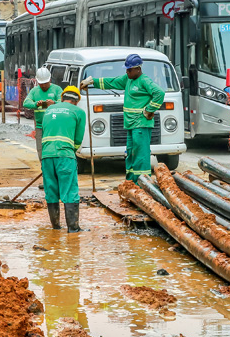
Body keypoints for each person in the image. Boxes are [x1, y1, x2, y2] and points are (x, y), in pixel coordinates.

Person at [79, 53, 165, 184]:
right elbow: (112, 82)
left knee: (141, 156)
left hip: (141, 124)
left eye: (129, 69)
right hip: (131, 124)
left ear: (138, 69)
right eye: (126, 69)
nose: (127, 72)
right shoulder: (128, 79)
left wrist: (149, 110)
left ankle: (143, 185)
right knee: (131, 154)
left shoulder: (144, 81)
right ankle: (130, 183)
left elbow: (159, 93)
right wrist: (92, 82)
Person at [40, 86, 87, 232]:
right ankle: (73, 229)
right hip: (65, 155)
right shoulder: (78, 111)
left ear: (62, 98)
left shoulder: (49, 109)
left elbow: (44, 131)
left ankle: (55, 227)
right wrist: (70, 151)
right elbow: (78, 139)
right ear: (76, 100)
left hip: (47, 155)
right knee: (69, 190)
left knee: (51, 190)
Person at [23, 66, 63, 155]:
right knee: (41, 151)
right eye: (41, 83)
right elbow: (26, 103)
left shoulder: (57, 89)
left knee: (55, 150)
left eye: (45, 83)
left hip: (54, 126)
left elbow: (63, 103)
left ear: (49, 80)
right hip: (40, 127)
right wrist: (36, 104)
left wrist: (54, 103)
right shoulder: (34, 91)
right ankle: (44, 167)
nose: (44, 85)